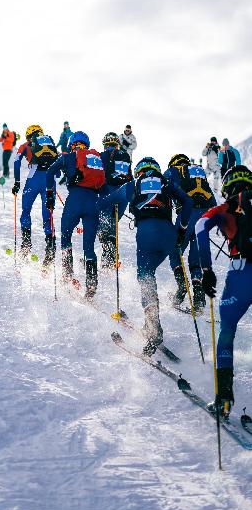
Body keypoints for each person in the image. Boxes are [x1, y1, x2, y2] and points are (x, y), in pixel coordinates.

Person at [196, 165, 252, 418]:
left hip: (241, 274)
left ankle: (224, 400)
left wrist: (206, 269)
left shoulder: (227, 207)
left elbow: (200, 226)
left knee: (227, 330)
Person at [130, 157, 192, 355]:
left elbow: (110, 200)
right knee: (150, 272)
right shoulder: (166, 183)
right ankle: (151, 325)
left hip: (147, 233)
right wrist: (181, 228)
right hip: (169, 236)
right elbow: (188, 201)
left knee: (145, 275)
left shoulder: (136, 183)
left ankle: (153, 327)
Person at [46, 131, 106, 300]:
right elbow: (103, 186)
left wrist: (50, 195)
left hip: (75, 201)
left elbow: (50, 172)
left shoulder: (68, 157)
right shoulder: (95, 159)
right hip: (93, 202)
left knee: (66, 236)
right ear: (86, 144)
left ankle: (67, 274)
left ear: (72, 143)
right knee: (89, 245)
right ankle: (92, 284)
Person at [165, 154, 216, 313]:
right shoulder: (199, 171)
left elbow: (163, 189)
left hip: (188, 213)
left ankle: (181, 287)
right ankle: (199, 299)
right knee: (195, 259)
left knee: (174, 252)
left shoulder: (174, 170)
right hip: (206, 214)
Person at [12, 125, 58, 269]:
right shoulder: (49, 143)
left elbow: (16, 161)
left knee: (26, 211)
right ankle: (50, 246)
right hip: (49, 181)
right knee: (48, 214)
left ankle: (26, 244)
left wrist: (17, 182)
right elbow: (57, 170)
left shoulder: (26, 145)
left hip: (34, 178)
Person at [98, 132, 133, 268]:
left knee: (101, 223)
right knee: (113, 223)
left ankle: (107, 253)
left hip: (108, 191)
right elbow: (129, 177)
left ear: (105, 143)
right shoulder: (125, 156)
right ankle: (110, 256)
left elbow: (98, 173)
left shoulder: (103, 155)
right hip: (123, 195)